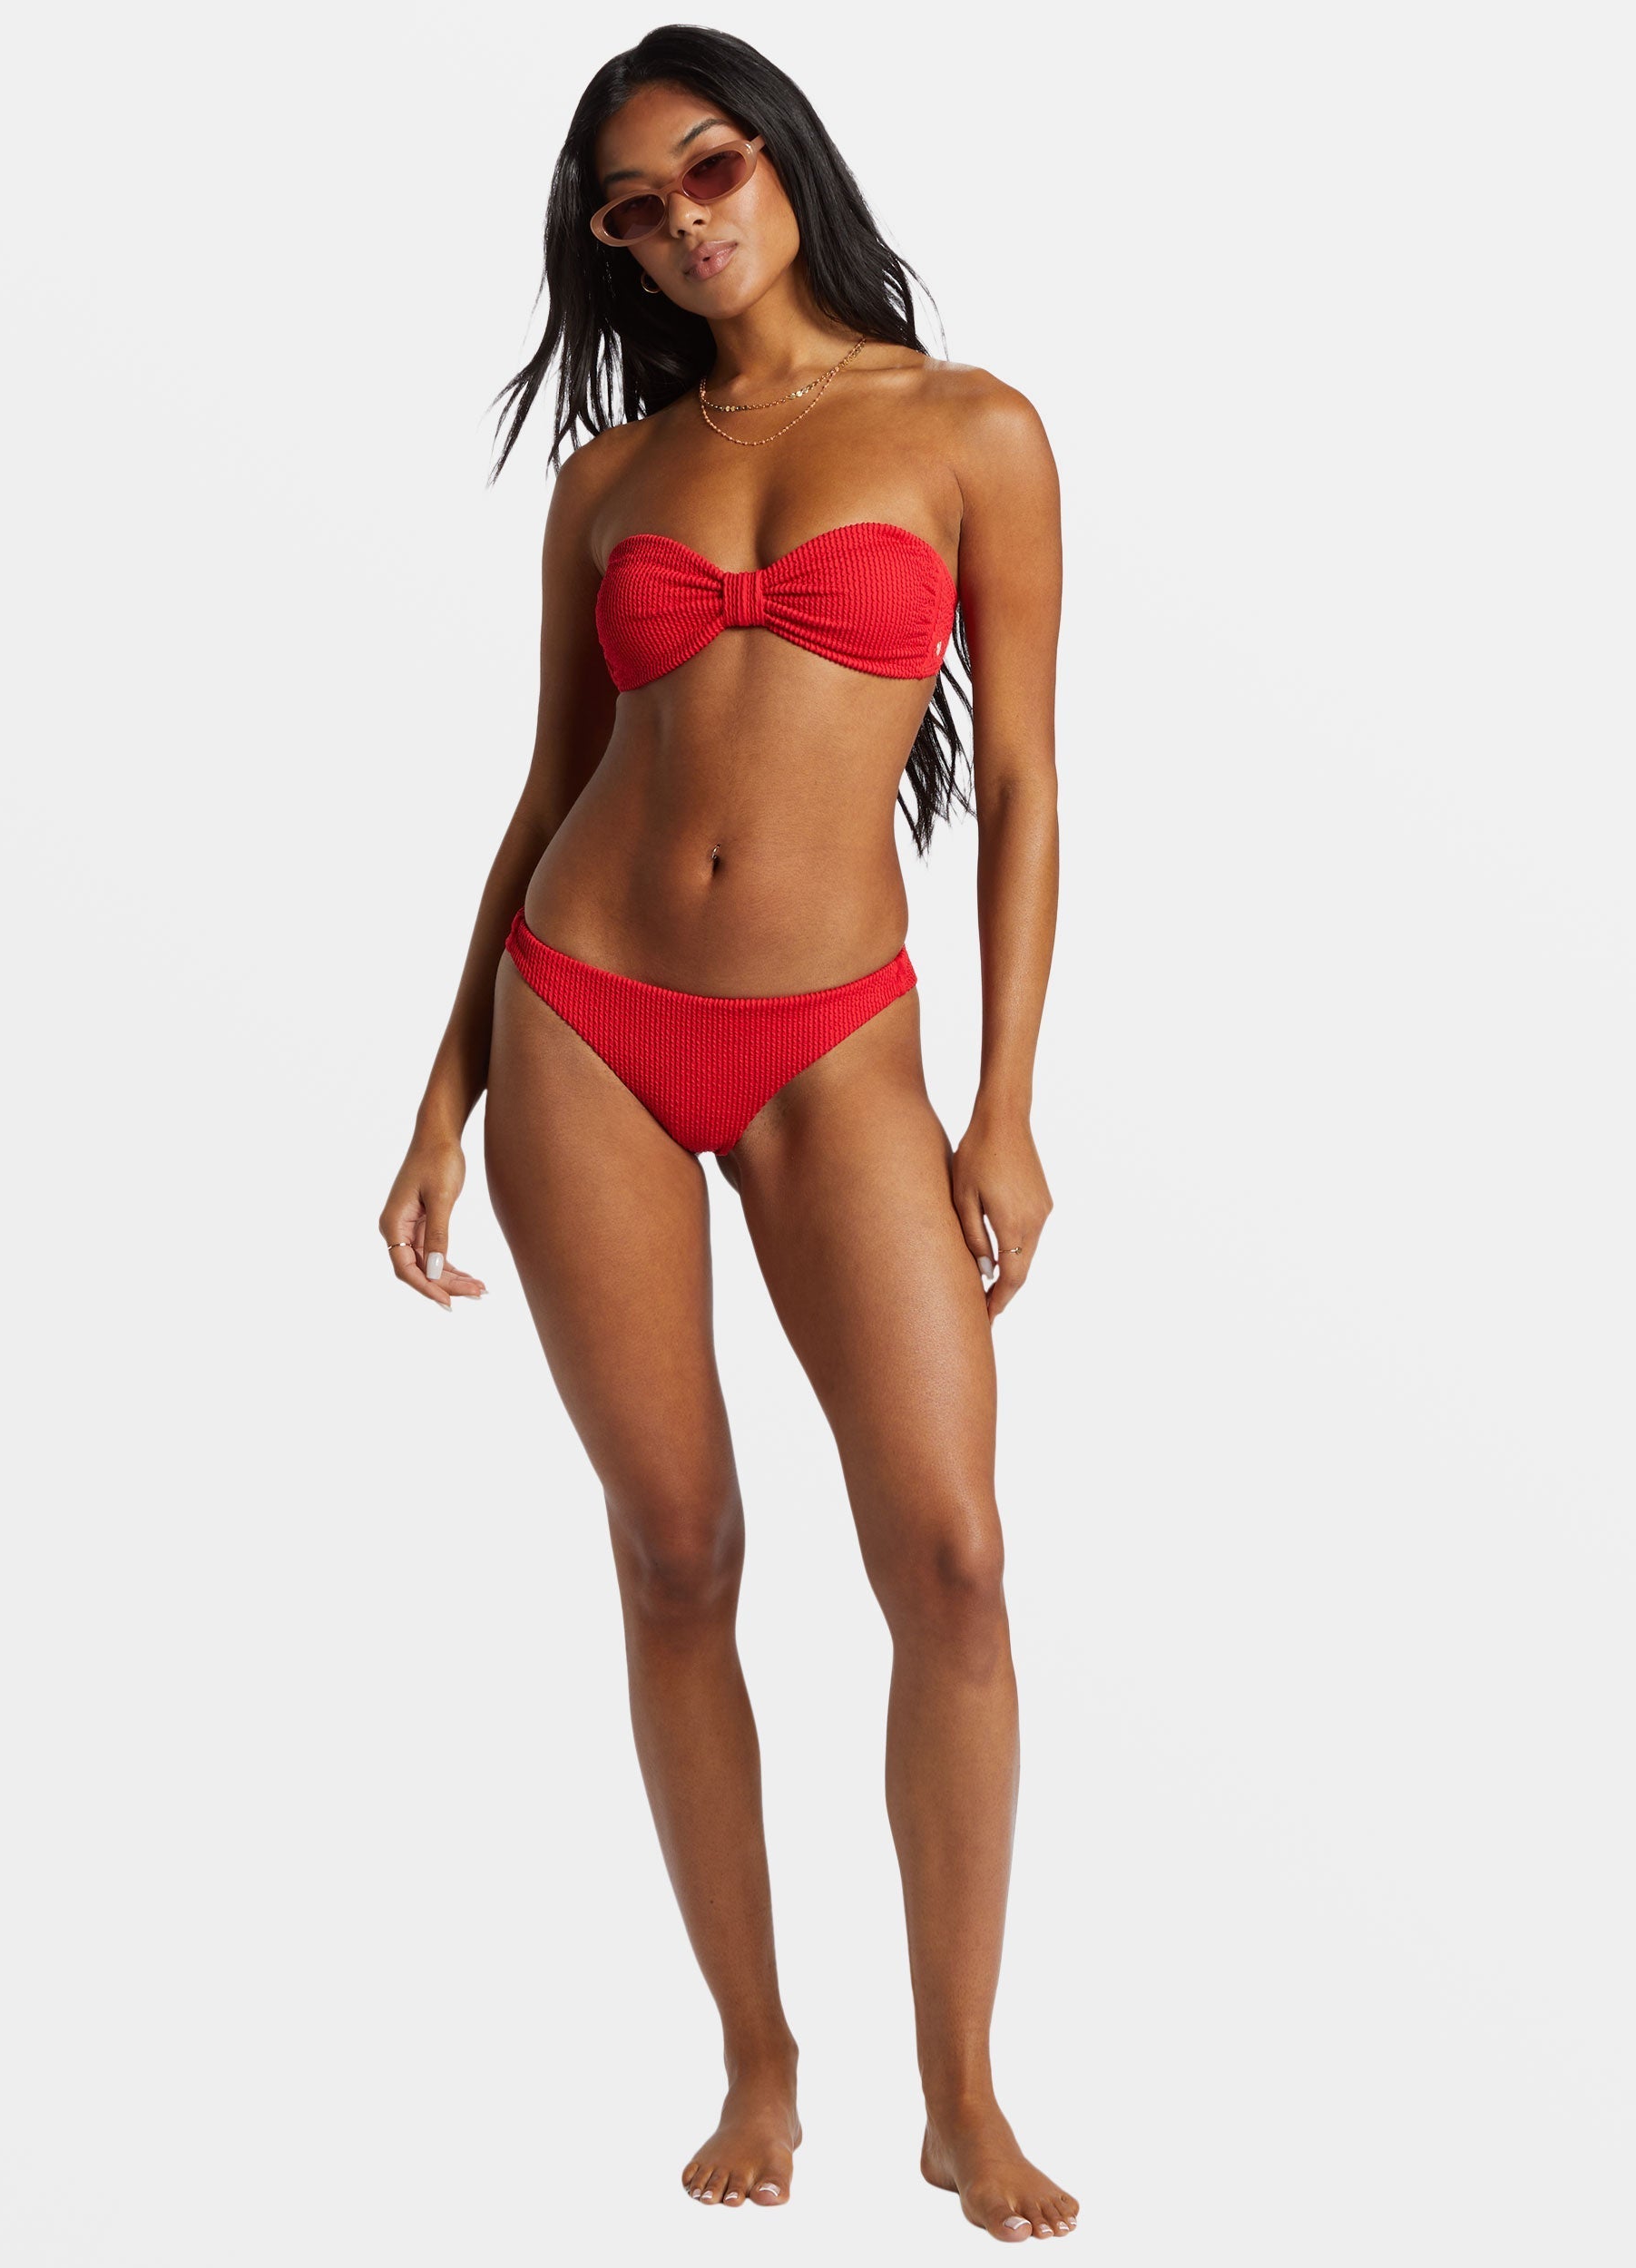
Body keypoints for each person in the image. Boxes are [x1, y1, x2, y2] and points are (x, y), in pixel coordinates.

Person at [379, 25, 1073, 2245]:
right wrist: (441, 1091)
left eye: (710, 165)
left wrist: (1004, 1100)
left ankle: (960, 2092)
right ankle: (757, 2053)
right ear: (608, 245)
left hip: (835, 1038)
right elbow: (547, 784)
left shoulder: (970, 430)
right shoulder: (611, 479)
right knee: (675, 1549)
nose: (682, 217)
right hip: (579, 1015)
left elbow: (1025, 784)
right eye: (631, 205)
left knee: (949, 1558)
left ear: (782, 156)